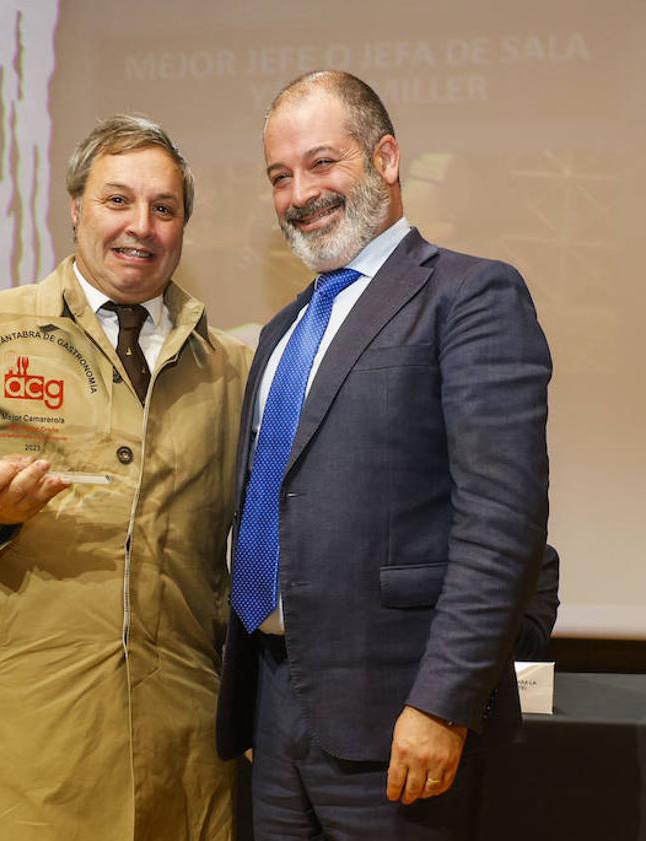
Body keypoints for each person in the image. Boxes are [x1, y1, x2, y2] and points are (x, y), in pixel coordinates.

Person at [216, 70, 552, 840]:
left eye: (321, 162)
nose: (299, 192)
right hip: (271, 710)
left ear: (386, 159)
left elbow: (500, 524)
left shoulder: (469, 296)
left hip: (398, 720)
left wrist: (440, 703)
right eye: (279, 175)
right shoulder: (278, 332)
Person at [0, 115, 250, 841]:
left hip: (186, 755)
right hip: (36, 754)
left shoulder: (231, 368)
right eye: (118, 201)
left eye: (163, 208)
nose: (140, 225)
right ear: (75, 206)